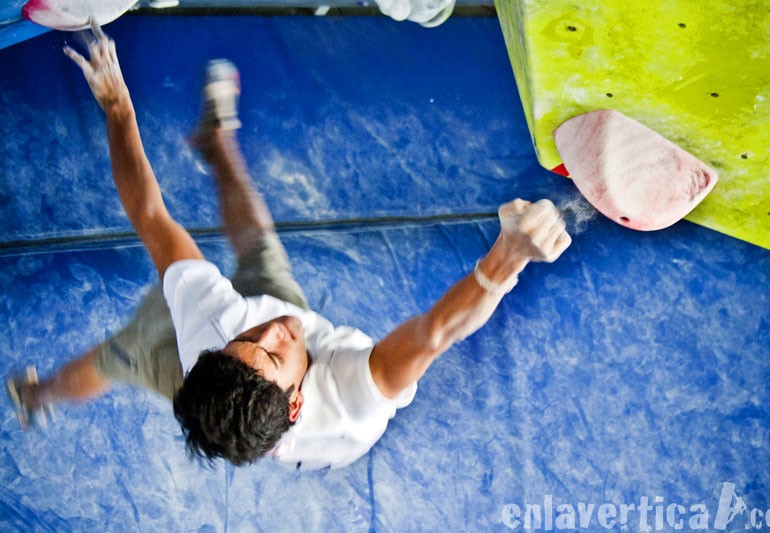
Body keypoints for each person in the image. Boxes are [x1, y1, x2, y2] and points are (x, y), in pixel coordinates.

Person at [6, 23, 571, 470]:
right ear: (298, 399)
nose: (273, 327)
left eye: (251, 338)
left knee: (218, 280)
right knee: (149, 335)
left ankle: (213, 143)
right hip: (286, 394)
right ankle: (40, 395)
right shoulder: (351, 394)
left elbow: (150, 216)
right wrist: (510, 257)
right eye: (271, 348)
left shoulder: (220, 327)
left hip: (230, 375)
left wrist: (118, 109)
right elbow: (434, 332)